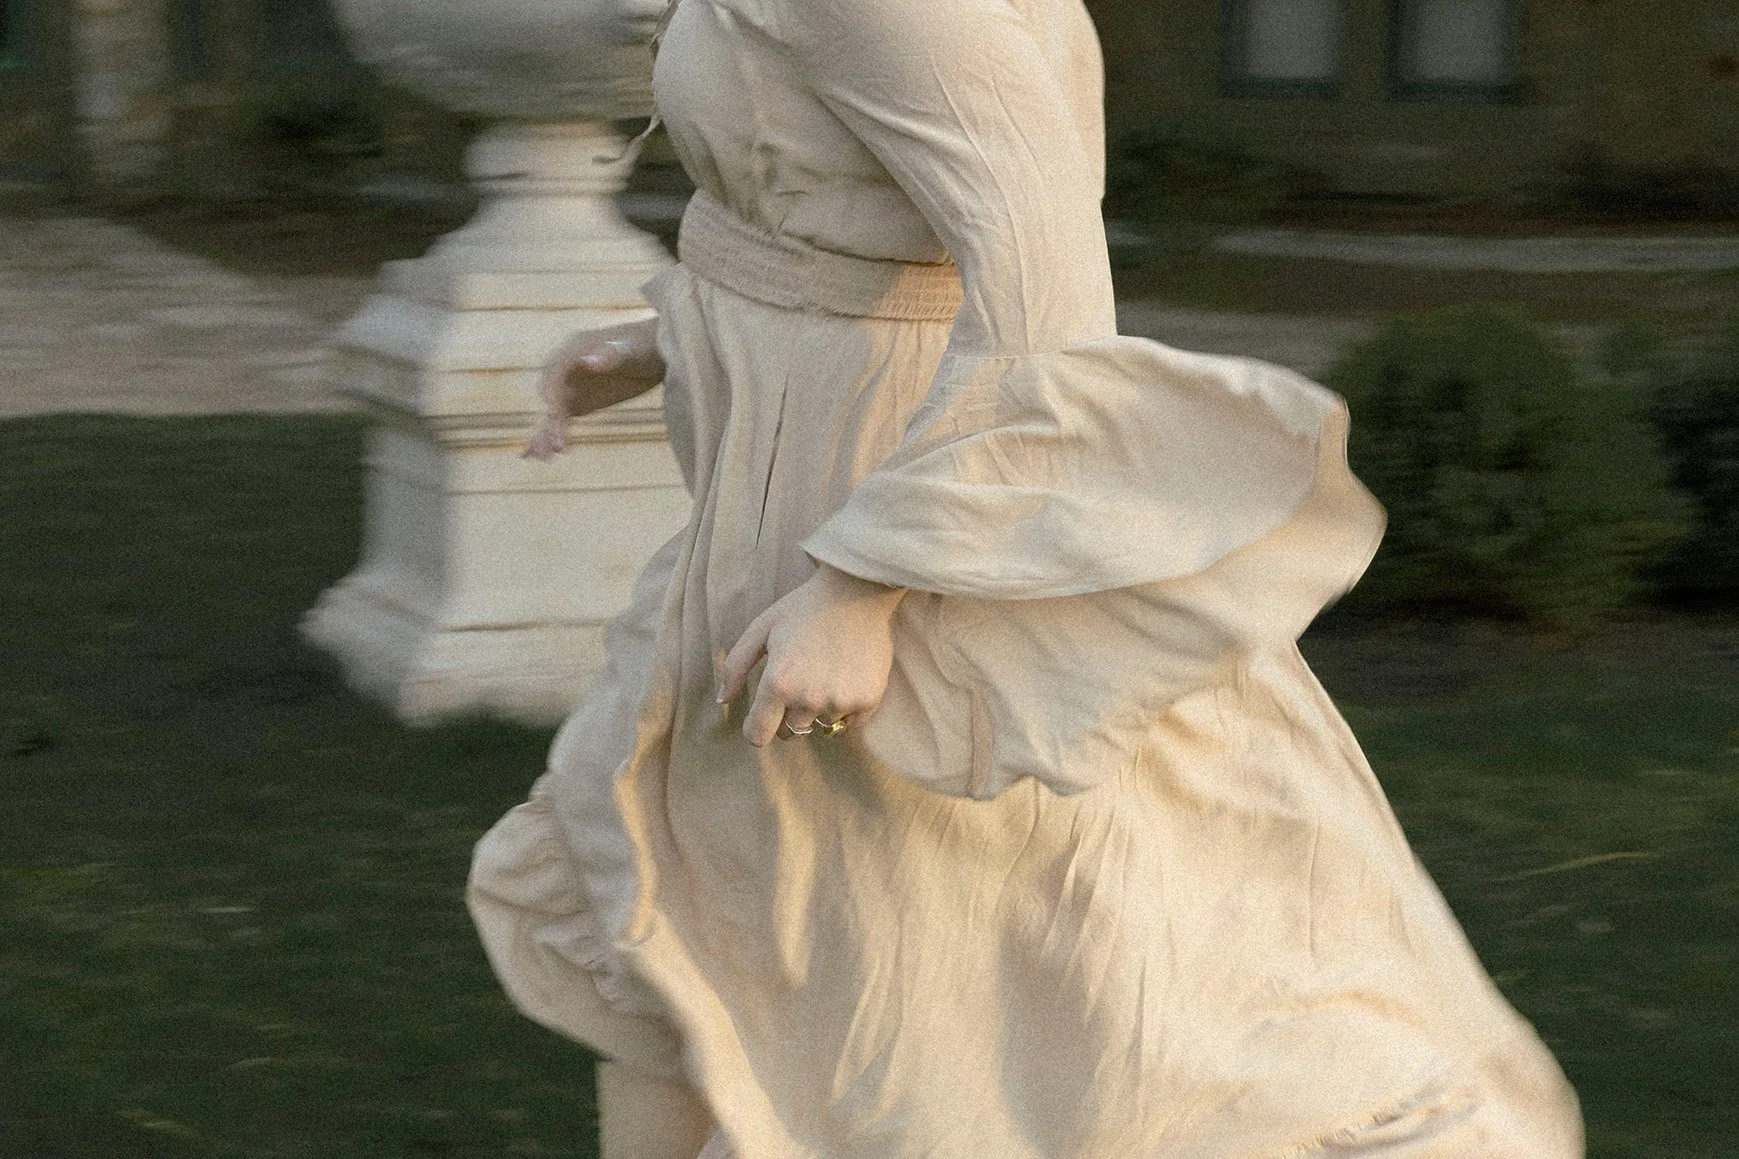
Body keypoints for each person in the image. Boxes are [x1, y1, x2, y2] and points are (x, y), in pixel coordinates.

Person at [468, 0, 1586, 1155]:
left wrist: (863, 587)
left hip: (884, 530)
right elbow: (831, 214)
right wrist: (664, 339)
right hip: (779, 517)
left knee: (943, 974)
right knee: (675, 913)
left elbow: (1044, 312)